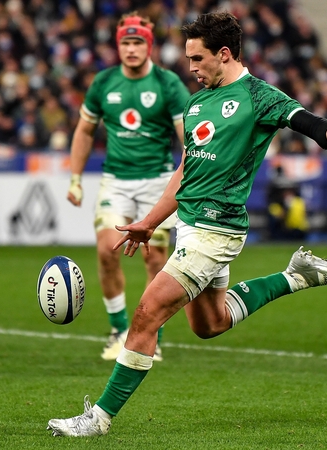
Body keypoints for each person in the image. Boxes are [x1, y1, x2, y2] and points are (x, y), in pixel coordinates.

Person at [47, 12, 327, 437]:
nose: (191, 68)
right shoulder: (198, 101)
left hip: (217, 229)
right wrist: (149, 222)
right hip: (189, 224)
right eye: (187, 58)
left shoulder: (259, 96)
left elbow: (309, 123)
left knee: (147, 313)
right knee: (209, 324)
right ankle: (294, 277)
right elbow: (184, 172)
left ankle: (99, 418)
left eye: (197, 59)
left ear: (224, 54)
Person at [66, 12, 191, 362]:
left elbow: (188, 139)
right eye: (125, 42)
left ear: (148, 47)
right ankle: (119, 330)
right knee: (107, 250)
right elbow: (84, 131)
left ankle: (153, 337)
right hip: (116, 181)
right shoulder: (104, 82)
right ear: (117, 46)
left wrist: (189, 174)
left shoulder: (169, 85)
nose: (131, 49)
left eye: (138, 43)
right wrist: (75, 178)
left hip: (157, 182)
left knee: (157, 262)